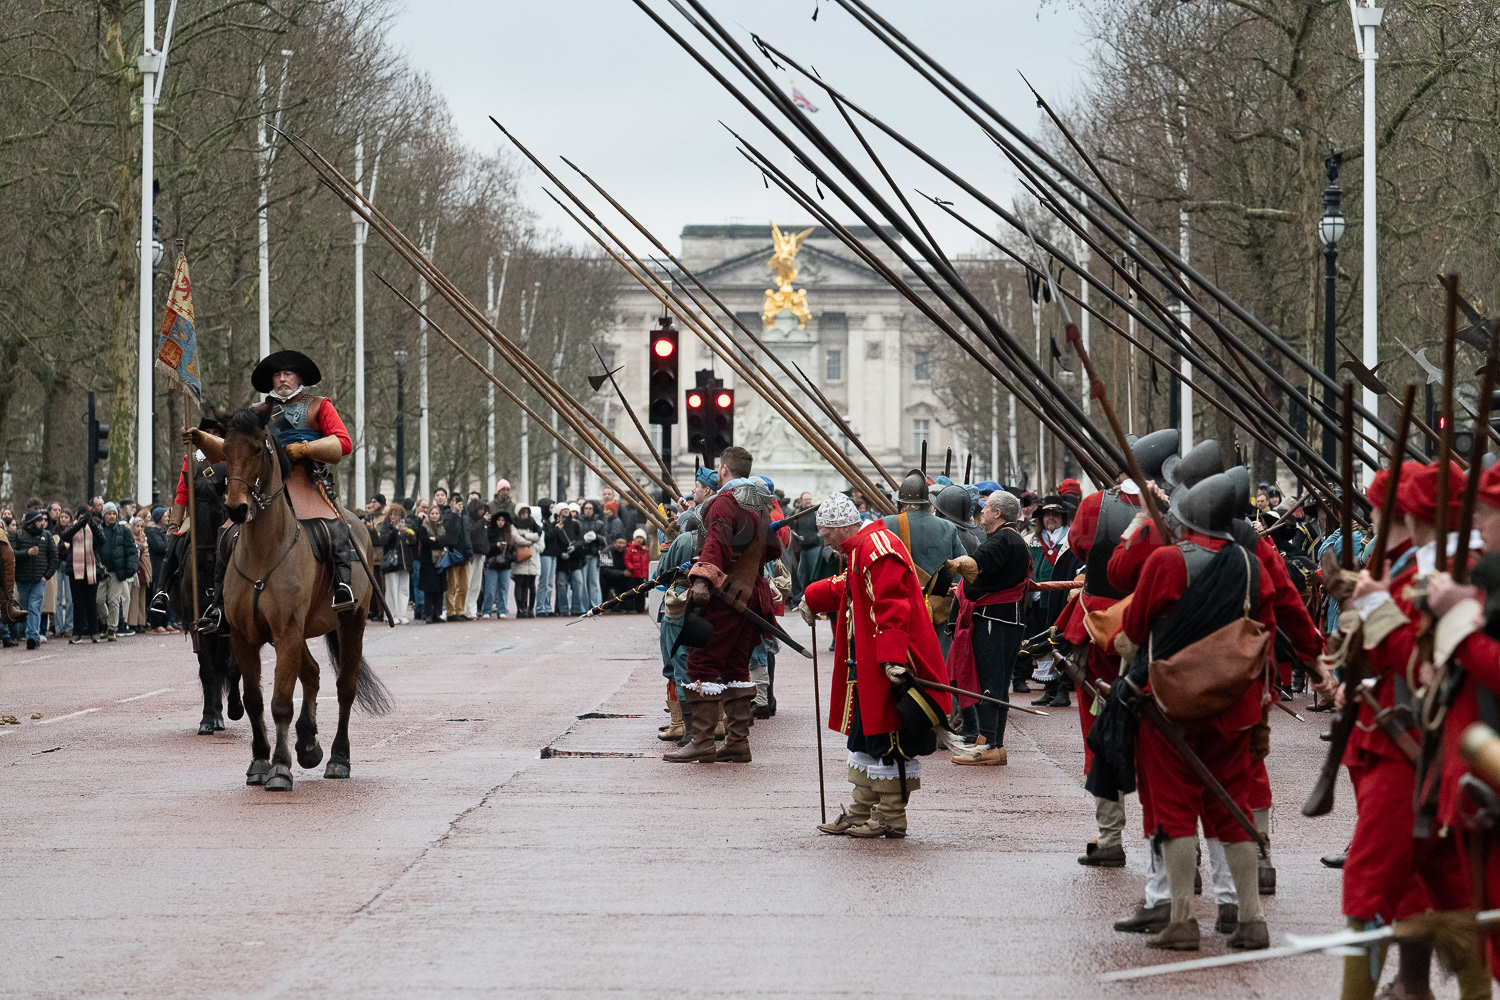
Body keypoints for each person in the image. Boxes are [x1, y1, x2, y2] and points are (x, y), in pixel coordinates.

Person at [1115, 472, 1274, 952]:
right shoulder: (1250, 564)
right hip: (1234, 705)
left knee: (1175, 812)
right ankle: (1251, 918)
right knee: (1233, 809)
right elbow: (1264, 631)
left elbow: (1135, 628)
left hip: (1170, 704)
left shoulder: (1165, 561)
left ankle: (1182, 918)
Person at [1057, 428, 1179, 869]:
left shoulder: (1095, 504)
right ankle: (1178, 840)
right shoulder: (1181, 511)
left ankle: (1109, 836)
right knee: (1161, 735)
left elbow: (1078, 548)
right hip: (1159, 631)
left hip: (1099, 625)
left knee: (1098, 730)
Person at [800, 492, 952, 837]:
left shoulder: (877, 548)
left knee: (888, 739)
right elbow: (849, 587)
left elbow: (892, 606)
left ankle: (890, 817)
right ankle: (859, 810)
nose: (823, 540)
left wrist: (893, 659)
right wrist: (812, 597)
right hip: (868, 663)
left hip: (890, 664)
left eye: (826, 533)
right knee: (864, 738)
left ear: (842, 528)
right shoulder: (862, 547)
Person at [189, 350, 356, 632]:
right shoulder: (254, 413)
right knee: (226, 532)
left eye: (287, 374)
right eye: (277, 375)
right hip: (263, 487)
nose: (282, 379)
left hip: (307, 481)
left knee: (335, 528)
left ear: (299, 377)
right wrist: (200, 437)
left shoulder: (319, 406)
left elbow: (343, 443)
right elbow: (233, 450)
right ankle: (219, 604)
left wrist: (305, 448)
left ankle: (342, 587)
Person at [664, 446, 781, 765]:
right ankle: (737, 742)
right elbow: (774, 550)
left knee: (701, 663)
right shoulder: (762, 503)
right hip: (751, 597)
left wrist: (701, 581)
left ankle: (702, 742)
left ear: (725, 470)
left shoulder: (724, 502)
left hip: (724, 596)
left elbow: (714, 544)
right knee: (735, 667)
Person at [944, 491, 1031, 766]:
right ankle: (989, 741)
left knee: (989, 684)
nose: (982, 510)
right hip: (1005, 619)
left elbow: (976, 564)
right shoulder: (1010, 538)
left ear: (998, 513)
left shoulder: (1004, 538)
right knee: (996, 684)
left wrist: (954, 566)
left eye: (987, 507)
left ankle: (991, 744)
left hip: (994, 619)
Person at [882, 469, 967, 658]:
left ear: (900, 502)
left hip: (900, 607)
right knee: (938, 662)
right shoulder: (947, 527)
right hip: (940, 608)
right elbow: (964, 568)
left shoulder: (886, 524)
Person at [9, 509, 58, 649]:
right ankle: (30, 634)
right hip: (22, 579)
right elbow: (10, 554)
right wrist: (27, 553)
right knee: (26, 608)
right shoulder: (17, 535)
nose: (42, 523)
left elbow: (54, 558)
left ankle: (32, 636)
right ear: (30, 523)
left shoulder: (47, 536)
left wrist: (46, 576)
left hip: (39, 580)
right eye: (38, 521)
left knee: (35, 607)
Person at [94, 502, 138, 642]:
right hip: (102, 572)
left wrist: (130, 568)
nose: (111, 516)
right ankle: (105, 622)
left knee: (114, 601)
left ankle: (112, 628)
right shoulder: (99, 531)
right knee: (99, 600)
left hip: (117, 572)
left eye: (113, 513)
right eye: (108, 514)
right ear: (104, 516)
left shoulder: (123, 531)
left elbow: (131, 550)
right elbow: (94, 550)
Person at [372, 503, 413, 625]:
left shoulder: (406, 526)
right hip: (391, 562)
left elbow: (413, 541)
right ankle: (391, 615)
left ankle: (402, 614)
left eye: (396, 515)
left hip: (404, 561)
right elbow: (384, 540)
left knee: (404, 589)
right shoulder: (386, 526)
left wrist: (406, 532)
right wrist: (394, 531)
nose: (393, 517)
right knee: (392, 590)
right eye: (392, 514)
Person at [415, 503, 450, 625]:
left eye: (436, 514)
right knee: (429, 590)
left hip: (441, 562)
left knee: (440, 590)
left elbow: (445, 541)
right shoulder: (424, 526)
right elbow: (425, 541)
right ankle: (428, 614)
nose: (434, 516)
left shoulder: (442, 527)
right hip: (428, 562)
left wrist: (436, 540)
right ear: (429, 515)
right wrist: (436, 541)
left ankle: (437, 614)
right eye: (432, 514)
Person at [482, 510, 516, 619]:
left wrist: (510, 558)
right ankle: (486, 610)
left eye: (503, 520)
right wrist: (495, 546)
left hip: (505, 565)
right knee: (490, 589)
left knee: (504, 589)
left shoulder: (509, 534)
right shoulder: (489, 532)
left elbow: (513, 548)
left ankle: (502, 610)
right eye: (499, 520)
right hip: (492, 564)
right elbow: (486, 548)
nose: (501, 522)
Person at [463, 498, 490, 620]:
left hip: (480, 554)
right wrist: (482, 522)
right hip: (471, 554)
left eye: (483, 509)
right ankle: (465, 609)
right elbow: (471, 533)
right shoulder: (468, 520)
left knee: (476, 584)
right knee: (468, 583)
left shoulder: (483, 522)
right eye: (480, 509)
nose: (482, 511)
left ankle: (472, 609)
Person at [577, 500, 606, 610]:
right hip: (583, 555)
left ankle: (596, 606)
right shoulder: (578, 523)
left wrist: (596, 537)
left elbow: (605, 539)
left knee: (594, 582)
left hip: (594, 555)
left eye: (590, 509)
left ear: (593, 510)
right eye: (586, 508)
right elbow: (575, 539)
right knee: (583, 583)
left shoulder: (599, 523)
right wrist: (583, 540)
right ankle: (584, 607)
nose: (588, 511)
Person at [535, 498, 556, 617]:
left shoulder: (548, 521)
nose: (551, 510)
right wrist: (555, 529)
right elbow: (545, 536)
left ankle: (547, 606)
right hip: (545, 554)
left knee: (549, 583)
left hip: (552, 554)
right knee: (544, 582)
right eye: (550, 507)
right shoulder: (541, 522)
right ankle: (540, 607)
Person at [623, 529, 650, 612]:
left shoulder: (645, 550)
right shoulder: (631, 549)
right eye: (637, 537)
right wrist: (631, 568)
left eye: (641, 538)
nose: (639, 539)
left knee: (641, 593)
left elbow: (647, 561)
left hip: (641, 576)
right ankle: (631, 608)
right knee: (632, 592)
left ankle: (640, 609)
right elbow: (627, 559)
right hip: (633, 575)